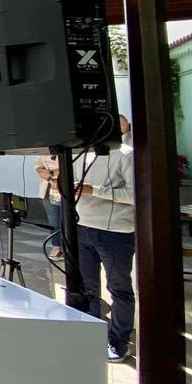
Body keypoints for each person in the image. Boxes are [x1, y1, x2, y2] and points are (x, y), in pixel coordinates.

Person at [74, 143, 135, 362]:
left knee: (118, 288)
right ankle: (90, 332)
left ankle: (119, 341)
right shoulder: (84, 154)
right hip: (82, 227)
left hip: (115, 231)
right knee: (87, 288)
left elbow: (135, 194)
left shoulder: (126, 155)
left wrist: (95, 190)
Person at [34, 154, 64, 259]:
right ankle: (57, 246)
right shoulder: (44, 150)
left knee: (68, 218)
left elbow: (69, 167)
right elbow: (38, 167)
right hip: (49, 187)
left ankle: (71, 246)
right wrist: (51, 178)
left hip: (66, 186)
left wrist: (52, 173)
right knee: (54, 220)